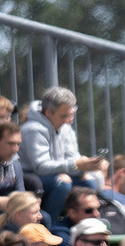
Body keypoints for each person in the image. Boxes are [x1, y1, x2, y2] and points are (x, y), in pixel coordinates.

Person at [19, 86, 108, 220]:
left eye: (72, 114)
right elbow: (41, 167)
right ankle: (50, 226)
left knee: (89, 182)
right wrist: (76, 165)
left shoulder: (66, 128)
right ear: (48, 112)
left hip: (57, 174)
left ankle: (85, 226)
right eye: (64, 116)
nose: (69, 120)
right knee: (62, 183)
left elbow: (72, 159)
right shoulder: (33, 130)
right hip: (31, 178)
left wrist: (85, 168)